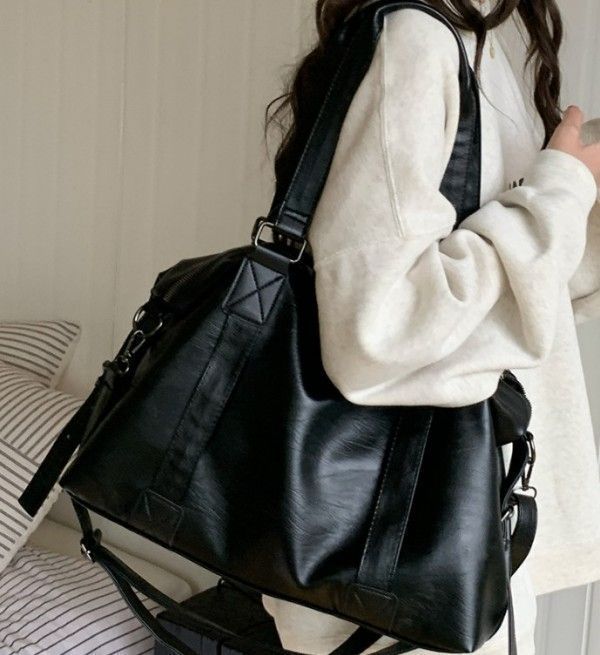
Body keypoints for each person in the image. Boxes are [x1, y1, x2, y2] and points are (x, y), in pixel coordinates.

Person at [261, 0, 600, 654]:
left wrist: (575, 209)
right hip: (407, 566)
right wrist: (558, 193)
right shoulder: (419, 40)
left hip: (455, 541)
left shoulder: (483, 40)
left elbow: (492, 312)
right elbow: (377, 331)